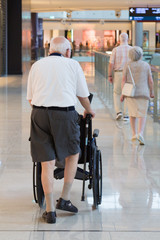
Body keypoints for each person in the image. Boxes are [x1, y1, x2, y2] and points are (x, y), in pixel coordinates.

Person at [27, 36, 95, 224]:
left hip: (39, 114)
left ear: (49, 50)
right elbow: (82, 95)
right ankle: (64, 199)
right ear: (67, 51)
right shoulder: (72, 65)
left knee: (46, 163)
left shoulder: (37, 66)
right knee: (73, 154)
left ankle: (49, 211)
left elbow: (30, 98)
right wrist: (89, 110)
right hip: (64, 115)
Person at [121, 46, 154, 145]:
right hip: (143, 93)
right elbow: (150, 81)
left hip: (131, 93)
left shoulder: (127, 65)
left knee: (132, 114)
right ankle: (141, 133)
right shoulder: (146, 65)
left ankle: (134, 134)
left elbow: (123, 81)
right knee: (142, 114)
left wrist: (123, 93)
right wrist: (152, 92)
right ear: (141, 55)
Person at [108, 32, 132, 121]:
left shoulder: (115, 50)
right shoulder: (132, 49)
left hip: (118, 73)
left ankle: (119, 112)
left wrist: (110, 75)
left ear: (119, 40)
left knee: (117, 93)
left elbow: (111, 64)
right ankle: (126, 115)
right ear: (128, 39)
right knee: (127, 93)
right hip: (129, 73)